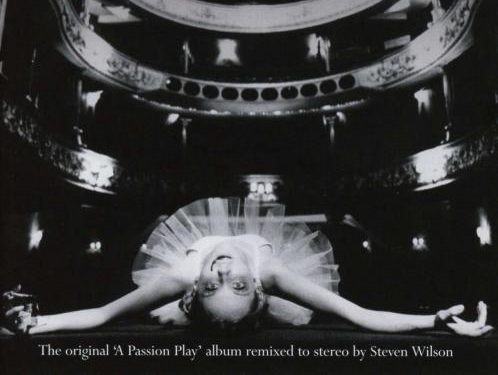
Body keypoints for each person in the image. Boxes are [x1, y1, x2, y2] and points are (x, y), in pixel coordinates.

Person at [4, 198, 494, 336]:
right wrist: (433, 321)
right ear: (257, 286)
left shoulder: (181, 274)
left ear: (194, 289)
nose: (221, 271)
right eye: (237, 285)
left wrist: (38, 324)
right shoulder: (271, 271)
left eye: (211, 285)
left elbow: (102, 314)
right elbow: (359, 315)